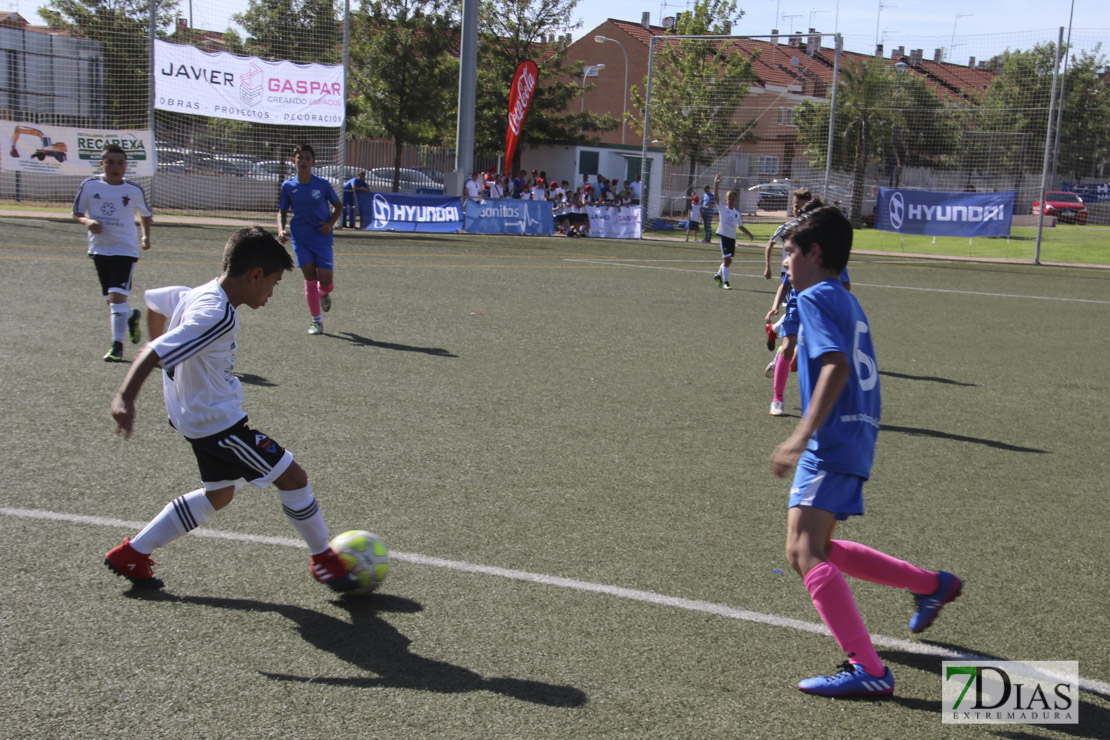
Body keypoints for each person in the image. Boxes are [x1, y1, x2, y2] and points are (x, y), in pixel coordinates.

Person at [769, 206, 962, 698]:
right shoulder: (847, 298)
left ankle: (869, 670)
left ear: (814, 253)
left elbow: (835, 367)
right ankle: (929, 584)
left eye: (790, 252)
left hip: (830, 439)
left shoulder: (813, 298)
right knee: (822, 549)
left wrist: (800, 434)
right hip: (856, 433)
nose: (786, 262)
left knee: (803, 551)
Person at [104, 226, 358, 593]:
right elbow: (154, 350)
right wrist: (125, 397)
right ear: (255, 275)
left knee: (219, 494)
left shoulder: (195, 295)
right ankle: (324, 560)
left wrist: (161, 350)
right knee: (293, 478)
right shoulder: (216, 313)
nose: (271, 292)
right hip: (217, 425)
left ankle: (132, 553)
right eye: (272, 283)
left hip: (193, 417)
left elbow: (154, 301)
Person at [764, 198, 852, 416]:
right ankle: (777, 399)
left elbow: (846, 285)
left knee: (805, 358)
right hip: (796, 304)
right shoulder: (801, 246)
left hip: (818, 310)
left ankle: (818, 405)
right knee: (787, 347)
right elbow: (785, 282)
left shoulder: (826, 254)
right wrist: (776, 305)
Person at [72, 144, 154, 362]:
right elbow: (76, 212)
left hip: (125, 249)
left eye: (120, 163)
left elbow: (145, 214)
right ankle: (131, 315)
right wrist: (87, 221)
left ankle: (117, 347)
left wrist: (146, 236)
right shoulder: (89, 186)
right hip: (99, 248)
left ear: (126, 166)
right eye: (110, 162)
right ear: (102, 164)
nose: (115, 167)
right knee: (111, 300)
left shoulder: (133, 190)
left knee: (117, 295)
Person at [277, 143, 343, 336]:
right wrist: (281, 230)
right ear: (294, 161)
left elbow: (338, 206)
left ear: (313, 162)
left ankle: (324, 294)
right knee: (309, 278)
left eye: (307, 158)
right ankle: (317, 321)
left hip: (321, 238)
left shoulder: (322, 184)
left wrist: (330, 224)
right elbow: (281, 211)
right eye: (300, 158)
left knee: (326, 283)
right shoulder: (288, 186)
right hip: (300, 237)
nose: (303, 161)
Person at [711, 174, 754, 290]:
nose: (731, 201)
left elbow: (740, 226)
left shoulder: (737, 213)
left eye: (733, 199)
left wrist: (749, 234)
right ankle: (726, 282)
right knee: (727, 259)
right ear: (726, 200)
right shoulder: (723, 209)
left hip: (732, 238)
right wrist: (716, 183)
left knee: (729, 261)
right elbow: (715, 197)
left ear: (735, 201)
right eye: (729, 199)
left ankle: (718, 275)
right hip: (723, 236)